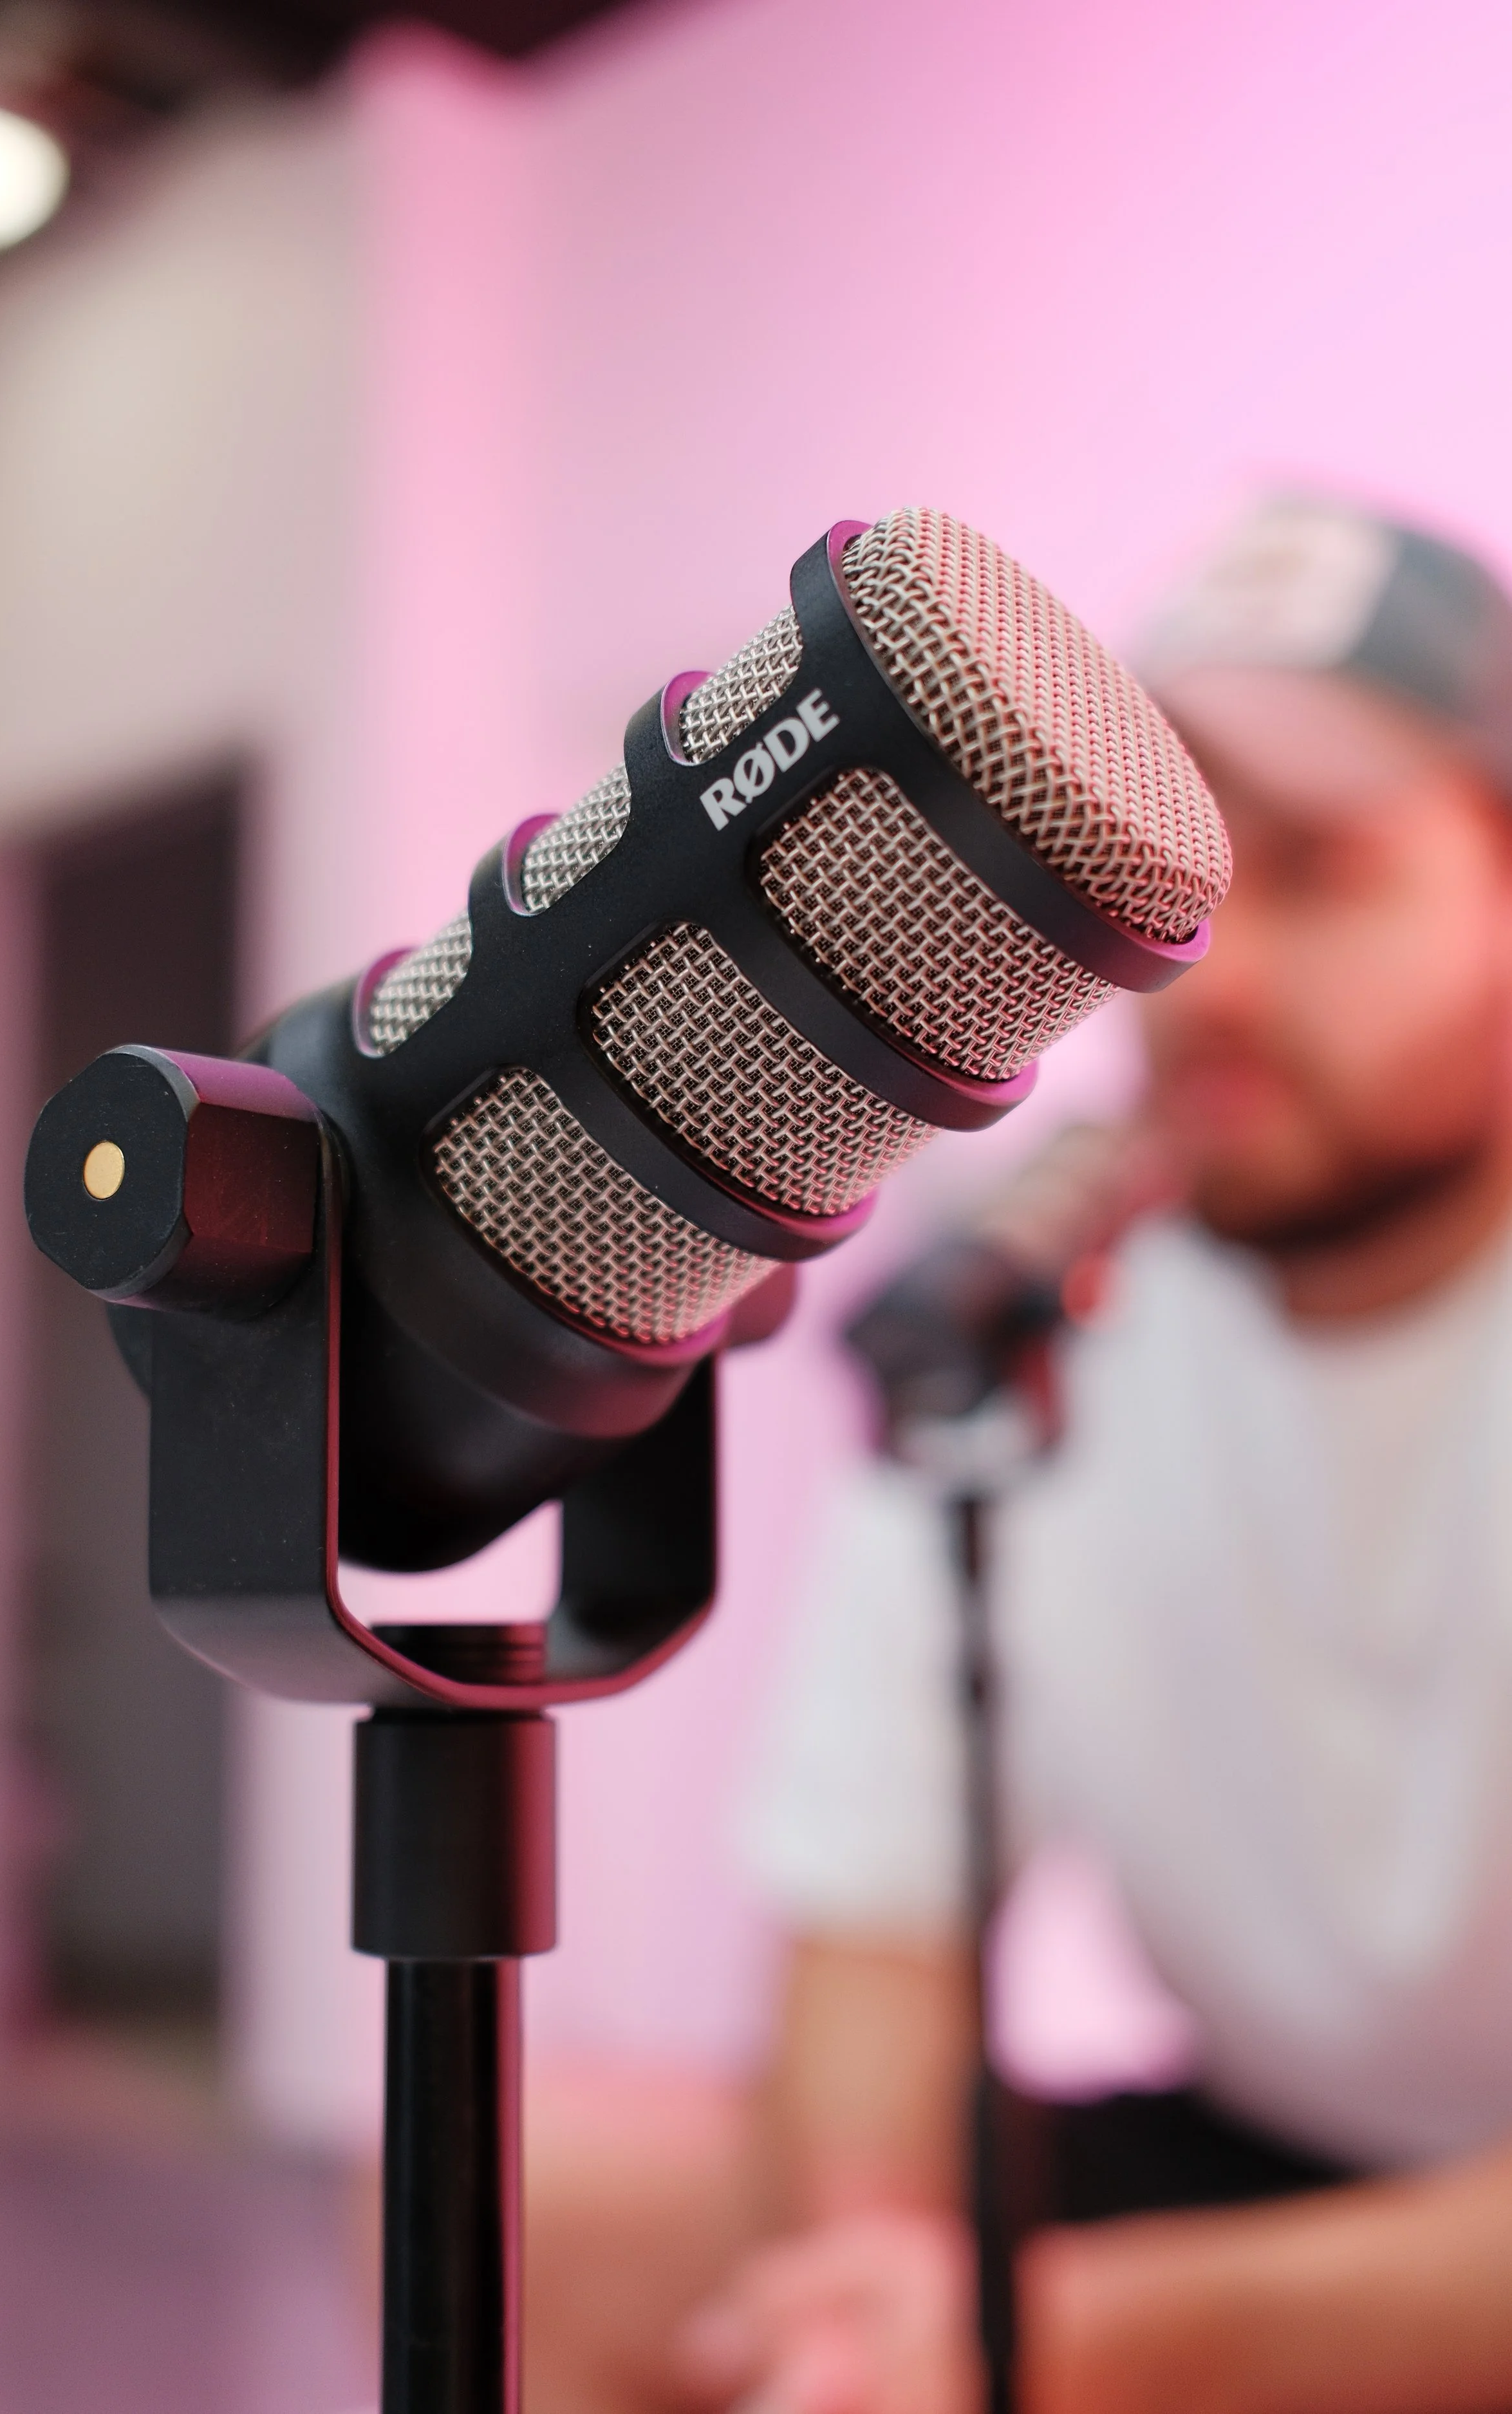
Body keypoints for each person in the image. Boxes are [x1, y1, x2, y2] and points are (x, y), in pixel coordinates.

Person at [525, 492, 1512, 2414]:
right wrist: (876, 2290)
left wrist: (1045, 2341)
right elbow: (874, 1932)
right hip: (1251, 2144)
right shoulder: (1016, 1295)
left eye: (1325, 872)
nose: (1219, 980)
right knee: (543, 2206)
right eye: (1189, 880)